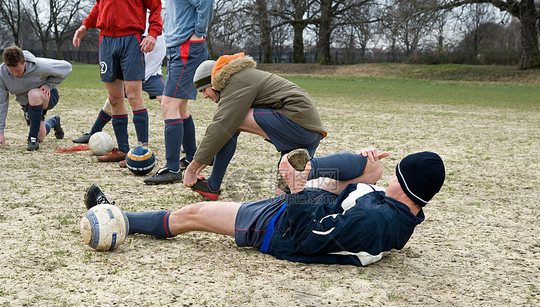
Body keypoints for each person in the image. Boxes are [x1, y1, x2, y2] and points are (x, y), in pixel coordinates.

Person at [84, 148, 446, 266]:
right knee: (365, 167)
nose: (389, 178)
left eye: (394, 174)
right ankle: (300, 171)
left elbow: (307, 240)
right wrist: (368, 168)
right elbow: (353, 209)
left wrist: (298, 191)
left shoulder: (373, 219)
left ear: (403, 184)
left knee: (190, 217)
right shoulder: (402, 211)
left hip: (281, 229)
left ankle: (120, 218)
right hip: (311, 207)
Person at [183, 52, 329, 201]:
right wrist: (203, 162)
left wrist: (192, 168)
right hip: (308, 130)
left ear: (214, 83)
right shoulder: (242, 76)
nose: (204, 96)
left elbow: (220, 127)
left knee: (231, 123)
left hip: (297, 124)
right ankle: (305, 191)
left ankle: (213, 186)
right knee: (283, 195)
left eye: (203, 90)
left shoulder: (236, 81)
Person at [73, 0, 163, 163]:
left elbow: (156, 6)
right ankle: (123, 149)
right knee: (114, 99)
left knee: (134, 96)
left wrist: (153, 33)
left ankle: (143, 151)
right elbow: (99, 7)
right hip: (106, 41)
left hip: (131, 40)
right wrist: (85, 26)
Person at [143, 0, 214, 185]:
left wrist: (199, 32)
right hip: (177, 46)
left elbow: (205, 3)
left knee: (169, 105)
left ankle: (172, 168)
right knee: (180, 108)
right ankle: (191, 157)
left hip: (187, 46)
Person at [0, 46, 70, 150]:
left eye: (18, 70)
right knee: (40, 137)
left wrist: (48, 85)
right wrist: (1, 131)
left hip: (47, 95)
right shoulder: (2, 74)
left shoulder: (39, 65)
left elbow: (67, 67)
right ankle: (54, 121)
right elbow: (2, 103)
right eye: (11, 71)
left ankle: (32, 139)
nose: (15, 74)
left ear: (24, 61)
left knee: (33, 94)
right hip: (27, 103)